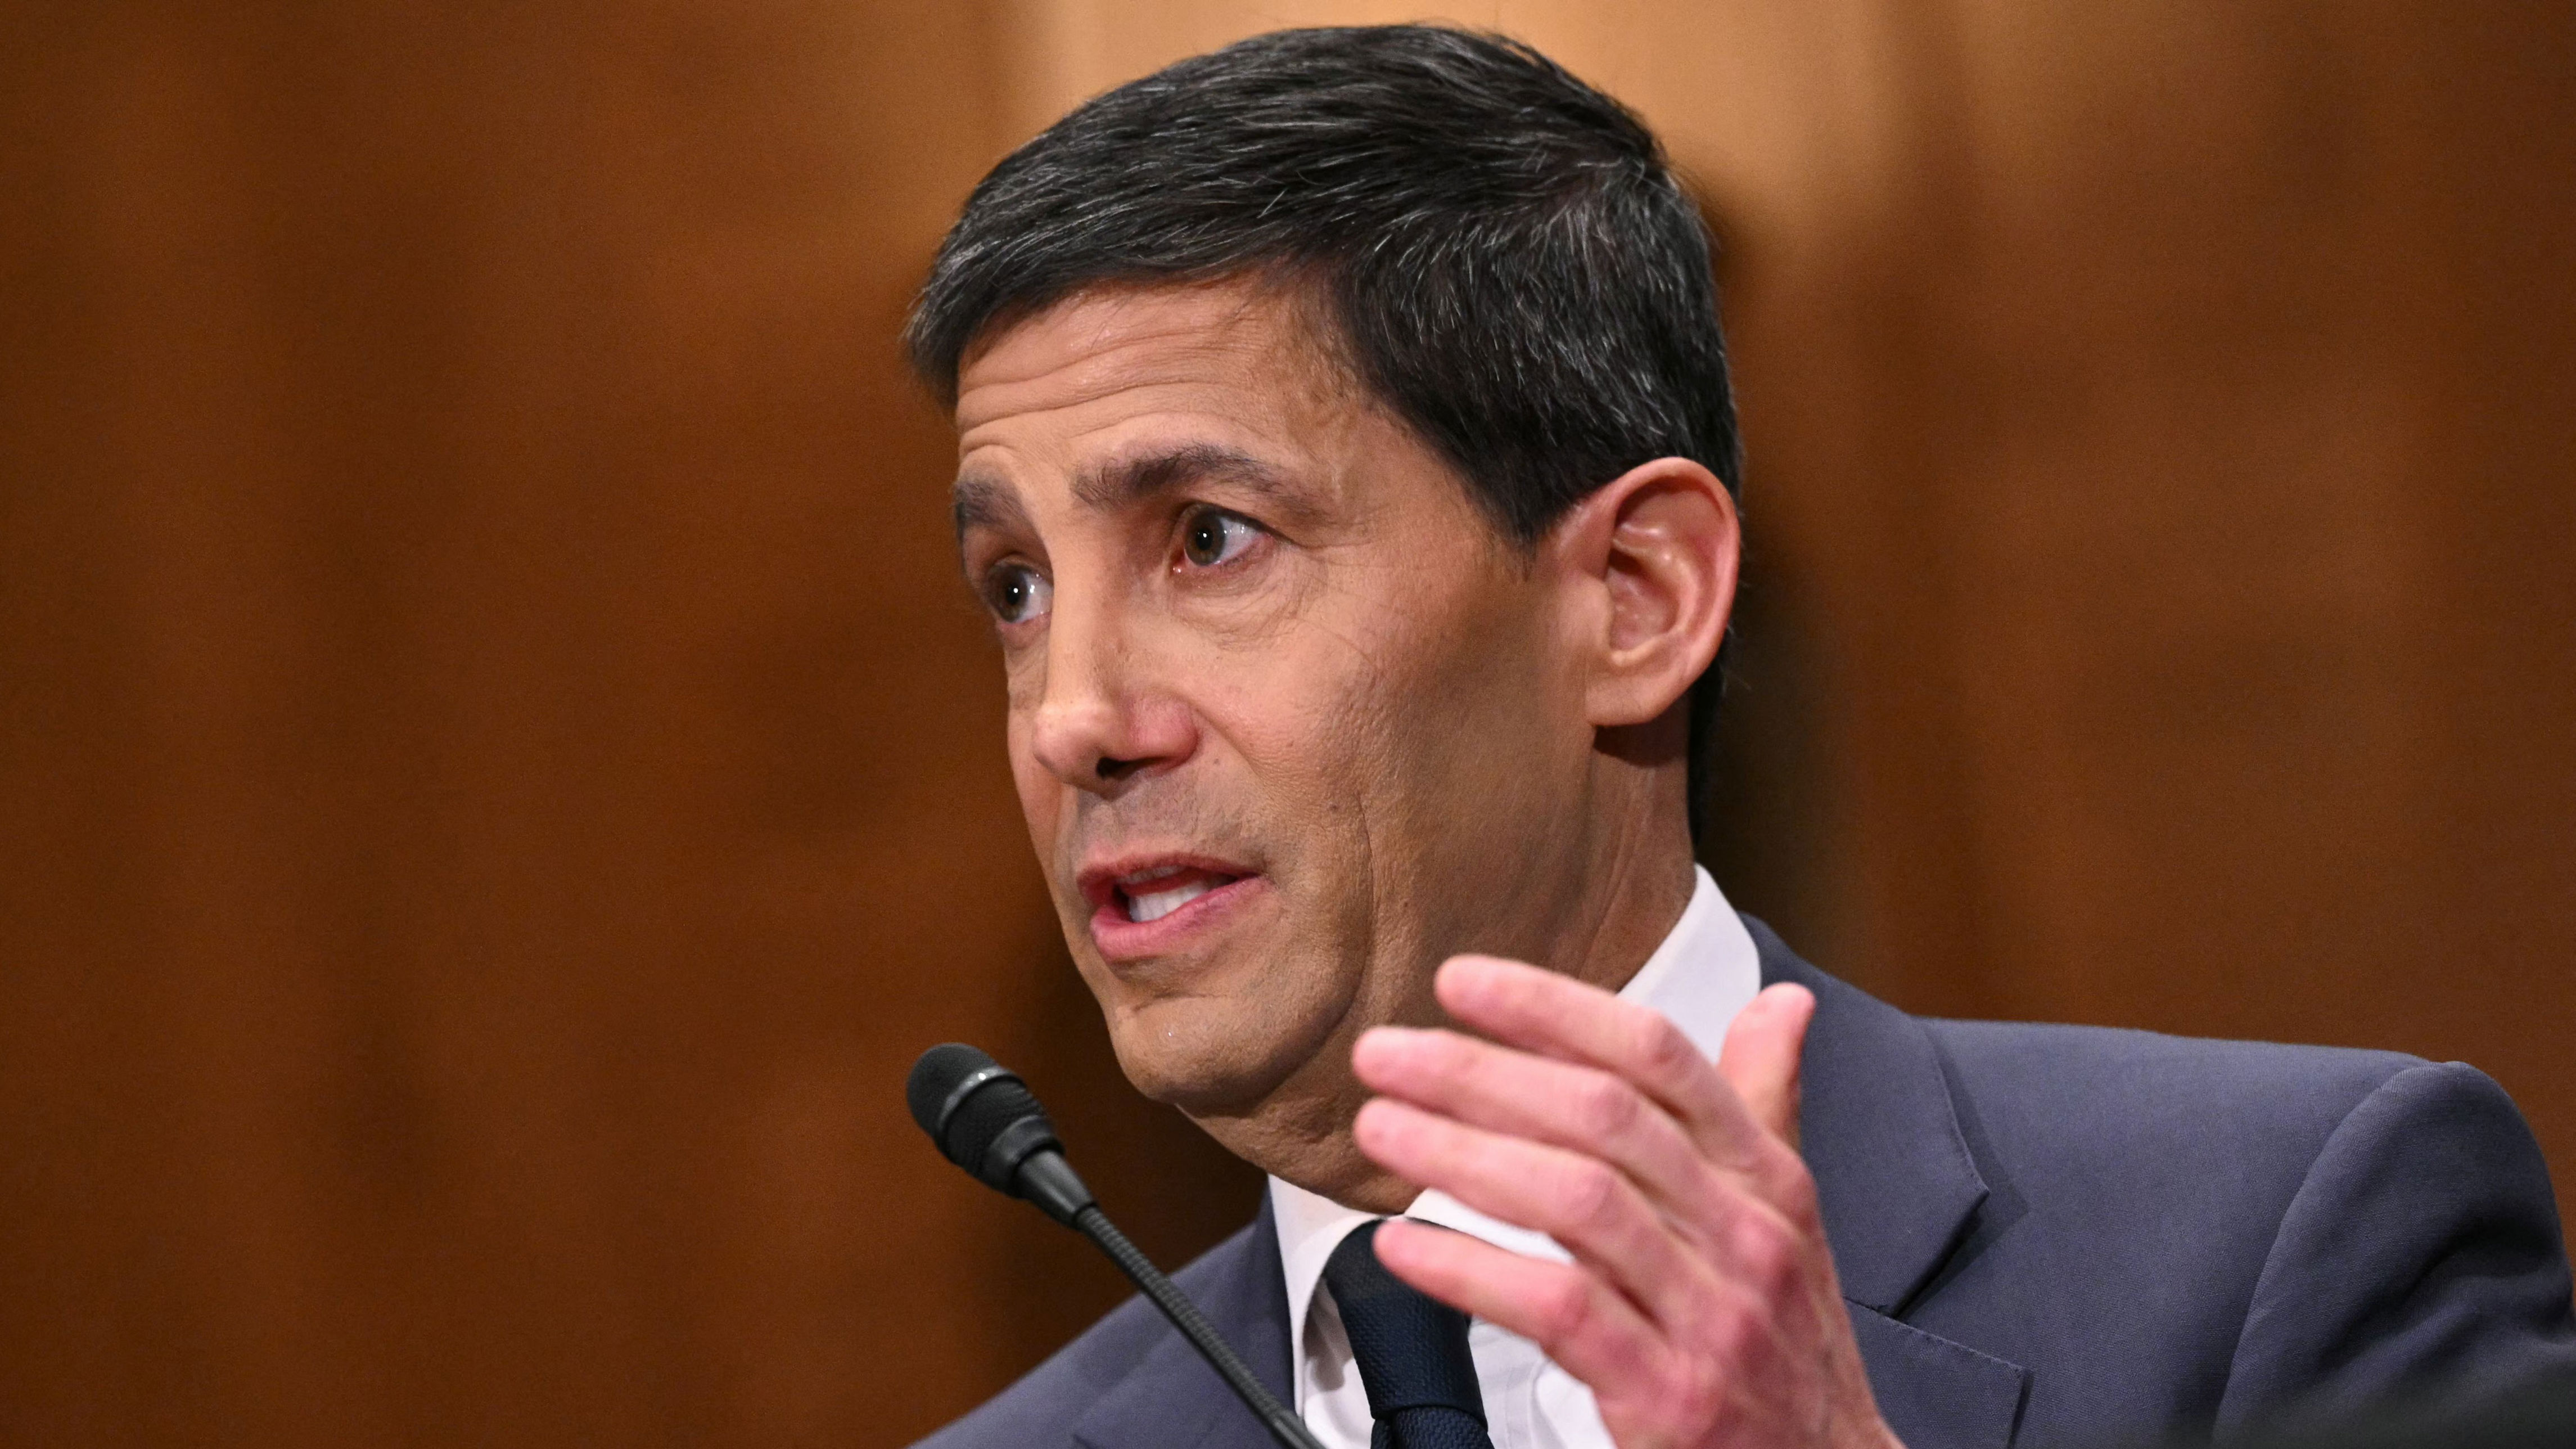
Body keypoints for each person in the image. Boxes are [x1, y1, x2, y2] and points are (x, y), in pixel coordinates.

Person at [903, 24, 2574, 1449]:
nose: (1074, 722)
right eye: (1018, 590)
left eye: (1209, 539)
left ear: (1636, 598)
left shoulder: (2296, 1239)